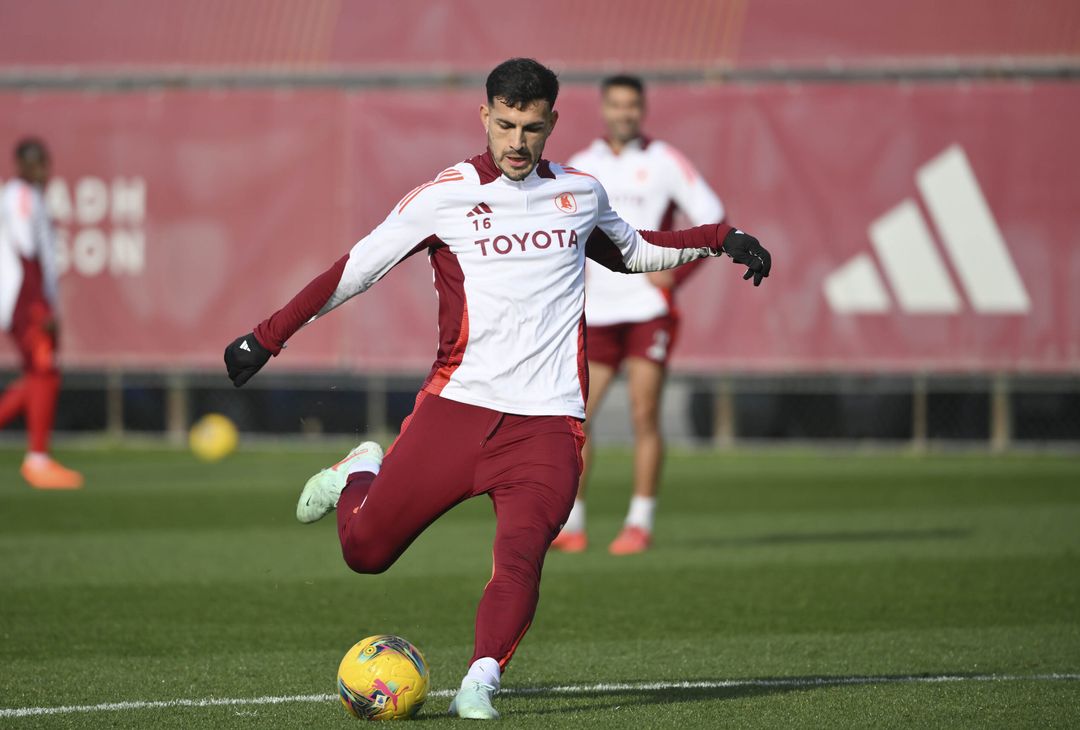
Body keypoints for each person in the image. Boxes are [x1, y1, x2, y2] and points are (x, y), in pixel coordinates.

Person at [224, 58, 770, 720]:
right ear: (485, 116)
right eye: (505, 124)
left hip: (547, 424)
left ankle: (481, 678)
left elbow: (635, 251)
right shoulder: (444, 195)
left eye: (531, 128)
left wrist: (722, 239)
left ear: (552, 124)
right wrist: (266, 337)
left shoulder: (580, 192)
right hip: (457, 410)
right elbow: (354, 271)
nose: (516, 141)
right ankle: (363, 466)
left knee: (520, 556)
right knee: (363, 553)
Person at [552, 74, 725, 556]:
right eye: (616, 105)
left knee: (644, 412)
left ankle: (640, 521)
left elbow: (712, 216)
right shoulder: (582, 166)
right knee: (577, 419)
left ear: (642, 109)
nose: (624, 113)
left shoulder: (665, 161)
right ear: (604, 108)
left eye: (632, 105)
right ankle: (573, 523)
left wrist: (675, 275)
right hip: (598, 309)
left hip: (648, 310)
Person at [0, 138, 83, 489]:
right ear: (23, 164)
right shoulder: (21, 195)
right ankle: (37, 459)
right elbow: (25, 251)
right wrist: (39, 306)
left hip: (28, 299)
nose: (44, 171)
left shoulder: (28, 196)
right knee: (44, 373)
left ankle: (39, 458)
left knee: (40, 375)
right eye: (38, 163)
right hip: (25, 299)